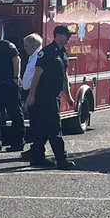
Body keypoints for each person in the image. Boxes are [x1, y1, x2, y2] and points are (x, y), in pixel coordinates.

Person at [24, 25, 76, 169]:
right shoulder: (46, 52)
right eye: (67, 35)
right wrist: (32, 94)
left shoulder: (62, 52)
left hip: (54, 95)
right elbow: (37, 74)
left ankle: (37, 158)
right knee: (54, 127)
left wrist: (68, 95)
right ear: (58, 35)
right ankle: (61, 159)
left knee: (42, 128)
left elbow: (64, 75)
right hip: (44, 95)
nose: (69, 38)